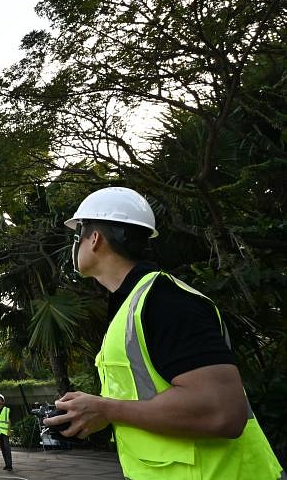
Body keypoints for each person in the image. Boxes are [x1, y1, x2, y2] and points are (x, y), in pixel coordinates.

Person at [44, 186, 283, 479]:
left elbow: (223, 411)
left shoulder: (165, 301)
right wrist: (95, 415)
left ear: (95, 239)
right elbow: (145, 400)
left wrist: (108, 410)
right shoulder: (131, 306)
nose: (76, 245)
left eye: (78, 234)